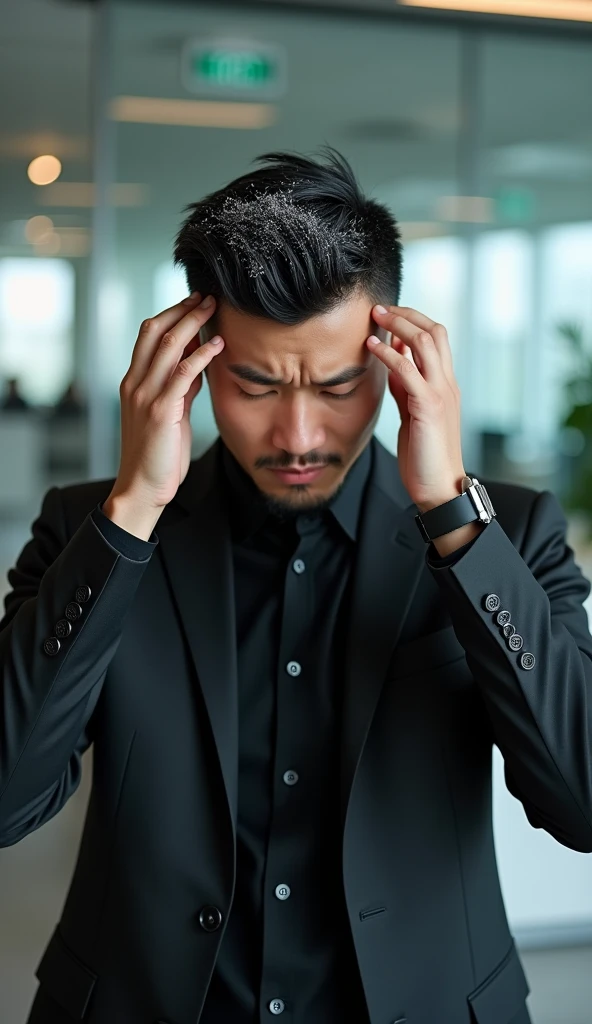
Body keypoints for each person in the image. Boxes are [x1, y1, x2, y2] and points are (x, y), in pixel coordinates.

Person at [1, 149, 591, 1024]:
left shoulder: (510, 531)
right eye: (256, 383)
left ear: (394, 365)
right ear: (193, 365)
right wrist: (131, 513)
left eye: (341, 384)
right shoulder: (89, 530)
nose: (300, 431)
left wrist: (453, 524)